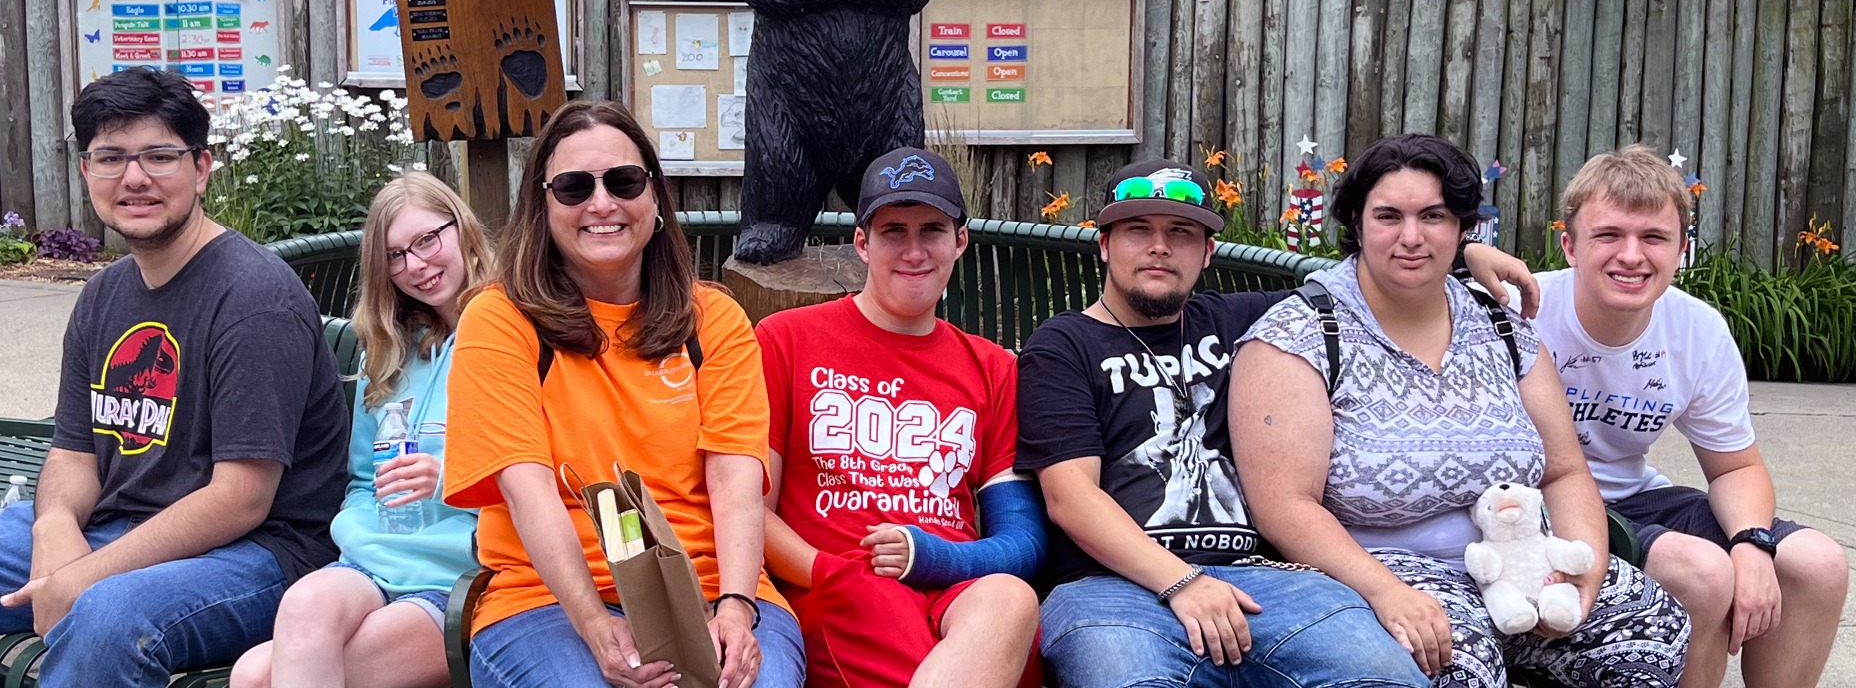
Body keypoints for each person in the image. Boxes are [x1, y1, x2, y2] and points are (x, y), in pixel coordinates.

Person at [1017, 156, 1542, 688]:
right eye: (1137, 230)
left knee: (1384, 676)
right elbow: (1071, 498)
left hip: (1271, 582)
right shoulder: (1062, 347)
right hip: (1113, 586)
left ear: (1207, 253)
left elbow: (1371, 278)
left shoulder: (1248, 319)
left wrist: (1465, 253)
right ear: (1104, 245)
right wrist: (1182, 581)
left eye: (1181, 232)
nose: (1159, 246)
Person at [0, 66, 349, 687]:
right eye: (111, 158)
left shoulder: (255, 299)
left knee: (110, 616)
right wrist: (54, 528)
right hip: (114, 524)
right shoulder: (103, 294)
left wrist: (84, 575)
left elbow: (242, 497)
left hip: (259, 552)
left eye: (159, 156)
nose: (134, 178)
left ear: (202, 167)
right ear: (86, 172)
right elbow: (74, 452)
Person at [1230, 134, 1690, 688]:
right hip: (1377, 574)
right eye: (1388, 216)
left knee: (1652, 626)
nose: (1411, 237)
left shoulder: (1500, 327)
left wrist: (1581, 572)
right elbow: (1284, 507)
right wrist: (1385, 591)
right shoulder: (1300, 335)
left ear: (1461, 228)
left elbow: (1564, 469)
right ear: (1355, 223)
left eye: (1434, 216)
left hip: (1518, 556)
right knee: (1461, 664)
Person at [443, 100, 802, 688]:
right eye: (574, 187)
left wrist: (737, 607)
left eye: (625, 181)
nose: (602, 203)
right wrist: (593, 624)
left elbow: (736, 481)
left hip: (714, 586)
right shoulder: (499, 318)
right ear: (542, 205)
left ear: (655, 196)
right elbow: (527, 491)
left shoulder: (713, 320)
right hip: (547, 600)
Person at [1532, 146, 1848, 688]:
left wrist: (1752, 543)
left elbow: (1735, 468)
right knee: (1702, 571)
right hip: (1539, 501)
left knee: (1816, 565)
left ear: (1682, 251)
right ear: (1570, 246)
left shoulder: (1697, 330)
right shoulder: (1522, 309)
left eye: (1653, 238)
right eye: (1609, 235)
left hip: (1634, 496)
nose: (1631, 255)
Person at [758, 147, 1043, 688]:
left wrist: (933, 557)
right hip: (845, 581)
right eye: (894, 231)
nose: (914, 250)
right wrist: (826, 570)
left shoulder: (993, 367)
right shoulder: (785, 340)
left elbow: (1022, 540)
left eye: (932, 230)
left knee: (1011, 598)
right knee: (877, 604)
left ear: (960, 240)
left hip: (957, 581)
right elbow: (750, 509)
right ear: (862, 243)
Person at [231, 173, 493, 688]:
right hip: (370, 564)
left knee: (255, 678)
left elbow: (546, 473)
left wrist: (449, 475)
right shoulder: (392, 354)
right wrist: (359, 527)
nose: (415, 266)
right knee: (298, 611)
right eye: (394, 256)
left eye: (426, 240)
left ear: (461, 229)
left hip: (459, 577)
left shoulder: (510, 334)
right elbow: (359, 482)